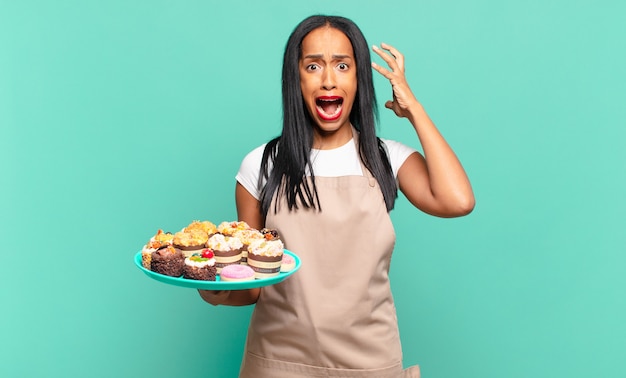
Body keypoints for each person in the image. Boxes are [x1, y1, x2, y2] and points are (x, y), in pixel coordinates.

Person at [199, 14, 474, 378]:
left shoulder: (387, 158)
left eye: (343, 65)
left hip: (370, 363)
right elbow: (250, 288)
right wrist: (210, 289)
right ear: (294, 79)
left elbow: (457, 201)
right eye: (313, 66)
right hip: (279, 362)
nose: (329, 79)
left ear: (359, 78)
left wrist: (414, 110)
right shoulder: (262, 165)